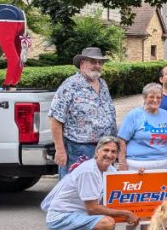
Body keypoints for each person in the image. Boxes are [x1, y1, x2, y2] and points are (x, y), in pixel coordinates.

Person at [43, 137, 139, 230]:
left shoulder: (110, 170)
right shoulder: (89, 171)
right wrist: (125, 214)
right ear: (97, 152)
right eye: (106, 150)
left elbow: (124, 192)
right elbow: (92, 209)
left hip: (82, 217)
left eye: (113, 151)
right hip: (60, 217)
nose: (109, 154)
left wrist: (141, 176)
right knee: (107, 223)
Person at [114, 83, 167, 230]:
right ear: (145, 97)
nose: (155, 100)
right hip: (137, 163)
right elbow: (122, 140)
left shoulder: (165, 115)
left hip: (161, 162)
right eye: (151, 97)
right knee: (134, 203)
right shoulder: (135, 115)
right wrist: (122, 163)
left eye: (158, 97)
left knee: (152, 203)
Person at [49, 46, 118, 178]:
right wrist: (60, 150)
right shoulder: (70, 85)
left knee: (99, 186)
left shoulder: (103, 84)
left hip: (103, 149)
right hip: (78, 150)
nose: (97, 65)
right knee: (76, 187)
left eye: (100, 62)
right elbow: (55, 118)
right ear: (82, 64)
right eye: (93, 62)